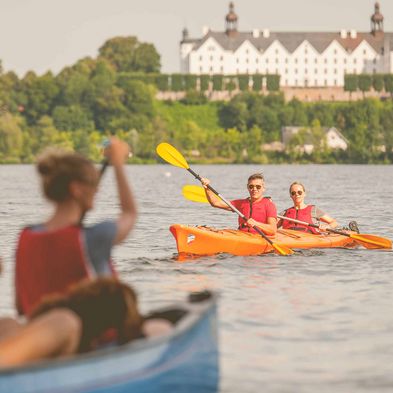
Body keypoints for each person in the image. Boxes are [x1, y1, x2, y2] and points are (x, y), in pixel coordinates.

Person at [15, 137, 137, 316]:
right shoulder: (93, 237)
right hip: (97, 340)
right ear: (76, 189)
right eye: (93, 185)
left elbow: (21, 307)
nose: (97, 190)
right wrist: (118, 164)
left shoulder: (26, 236)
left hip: (44, 335)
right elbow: (129, 213)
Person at [201, 173, 277, 236]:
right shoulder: (240, 203)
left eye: (258, 187)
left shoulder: (269, 205)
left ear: (263, 188)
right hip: (241, 235)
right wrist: (207, 187)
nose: (254, 189)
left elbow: (273, 230)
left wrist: (256, 223)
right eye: (251, 186)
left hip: (259, 237)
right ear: (247, 187)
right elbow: (215, 203)